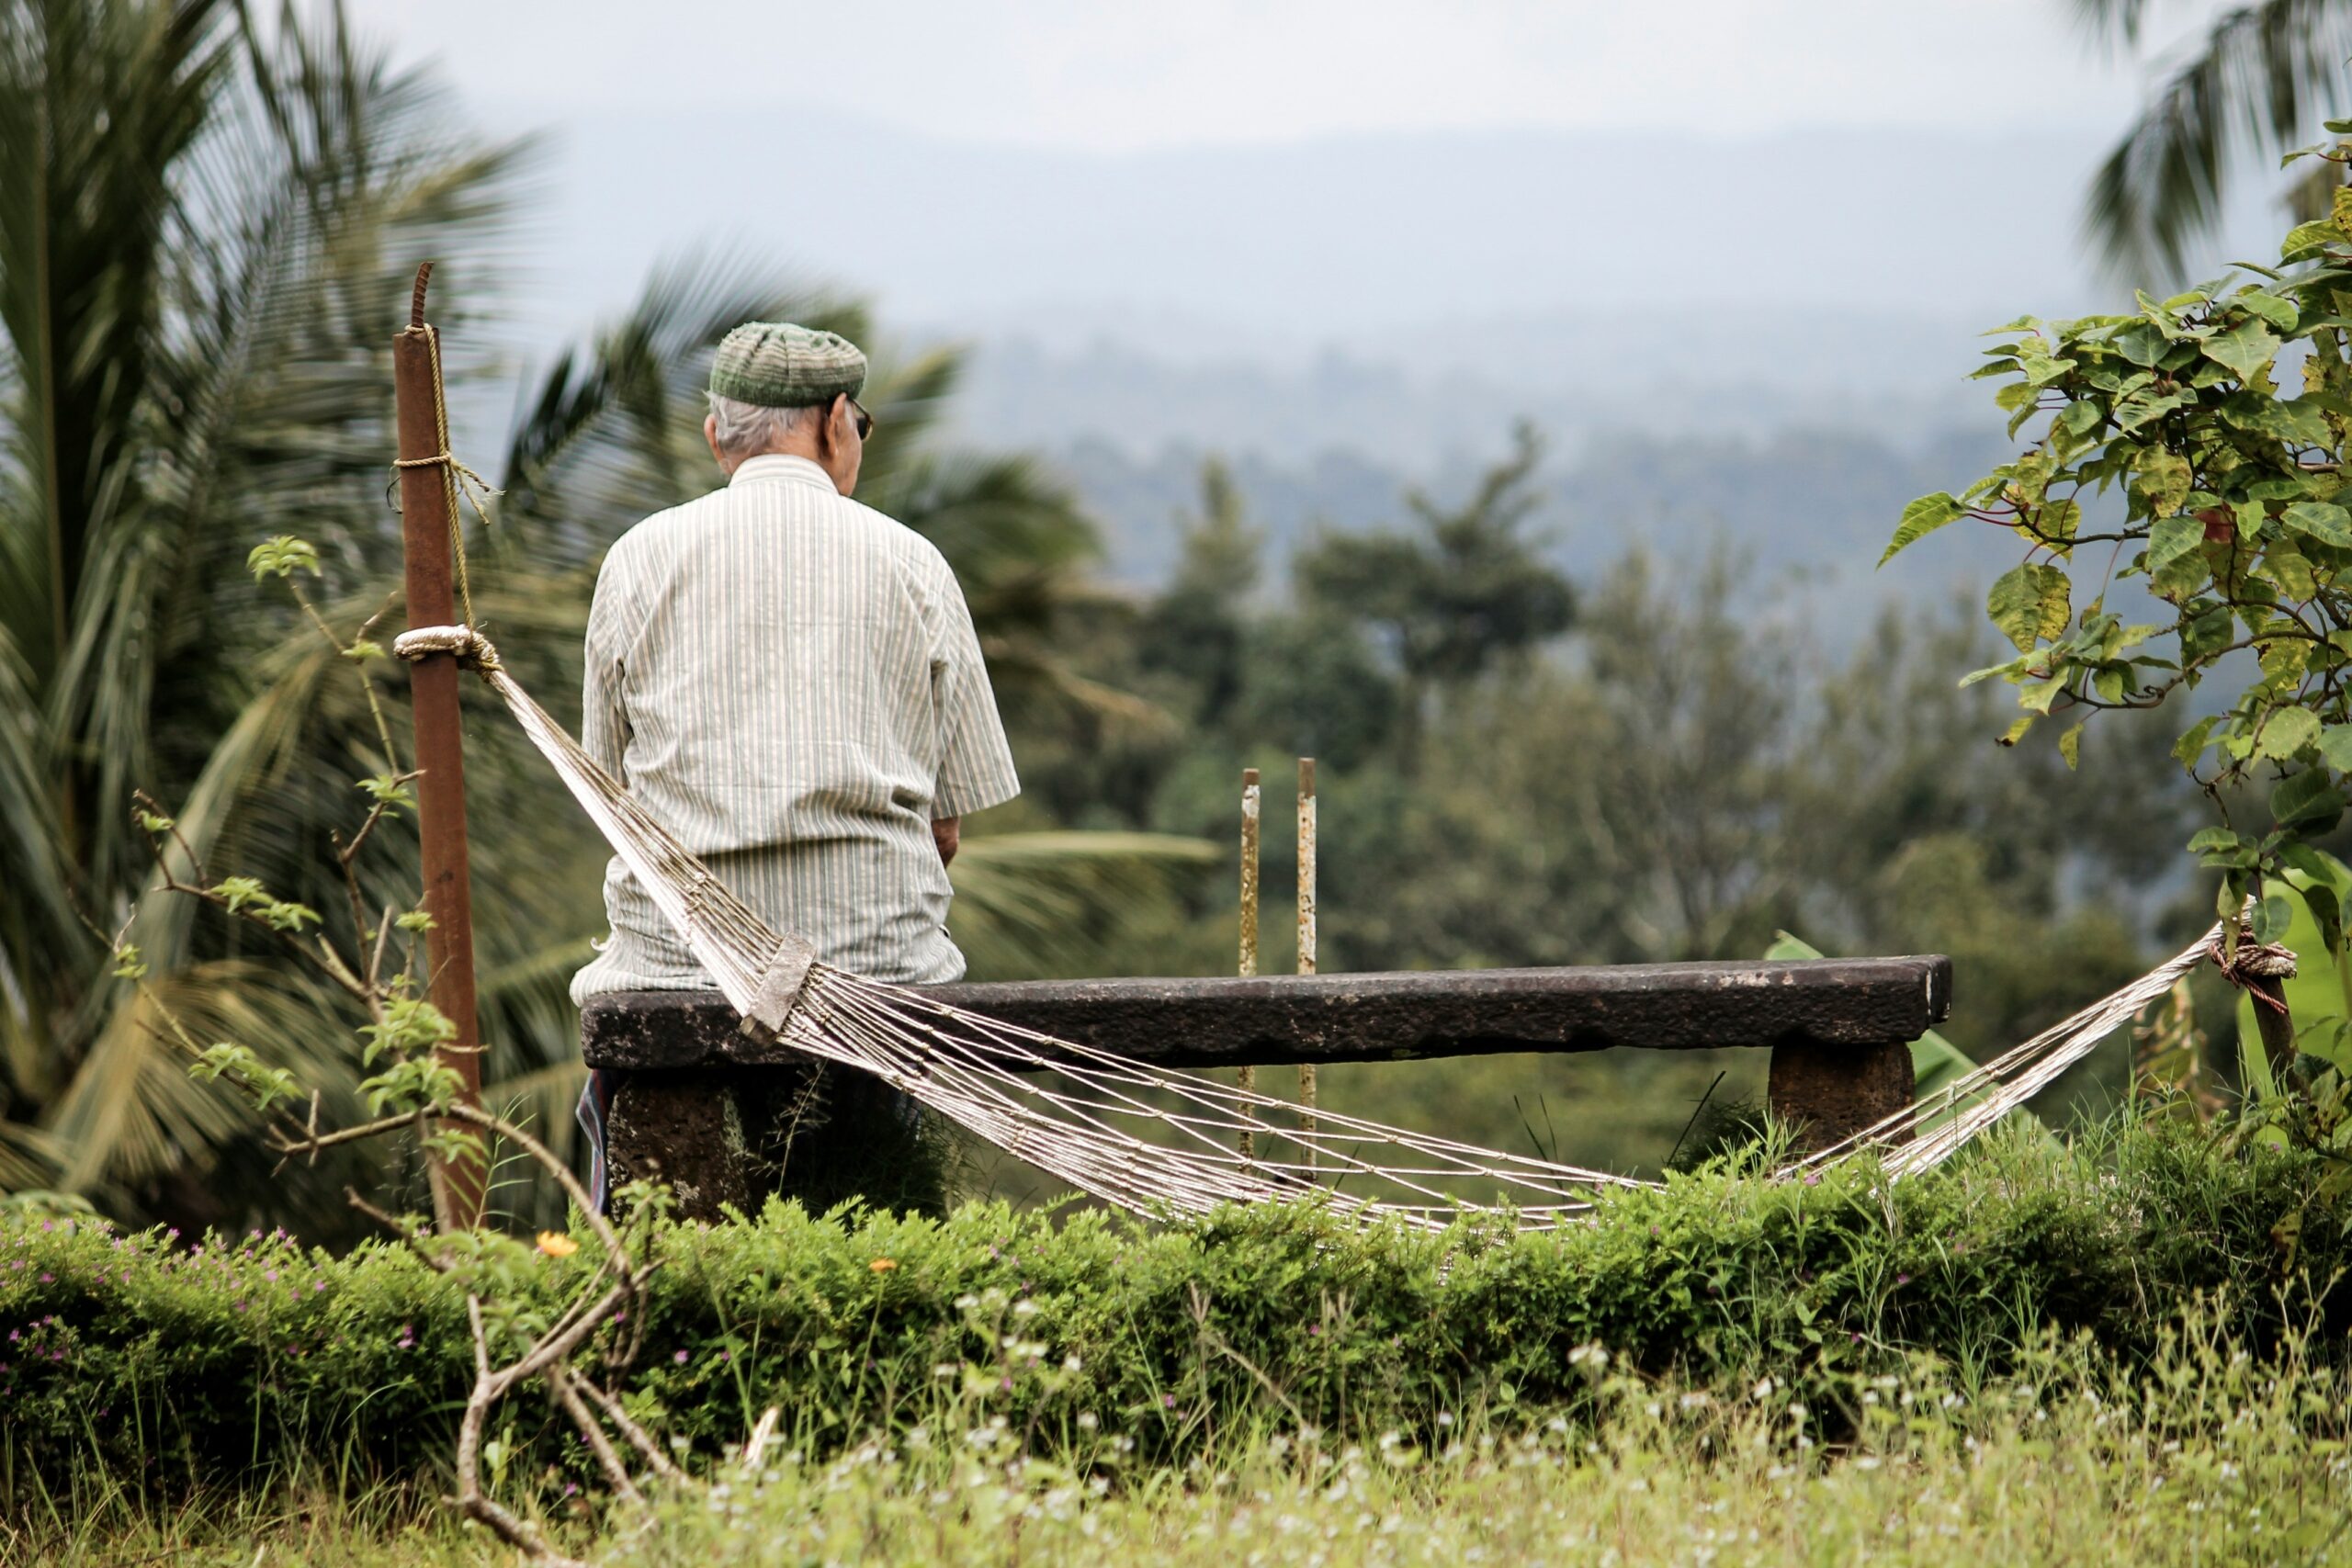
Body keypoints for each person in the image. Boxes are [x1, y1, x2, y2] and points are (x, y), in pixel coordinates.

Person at [569, 321, 1021, 1208]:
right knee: (880, 1174)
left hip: (673, 966)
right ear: (838, 421)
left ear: (715, 436)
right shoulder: (914, 563)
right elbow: (946, 827)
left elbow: (606, 792)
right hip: (872, 971)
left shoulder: (636, 561)